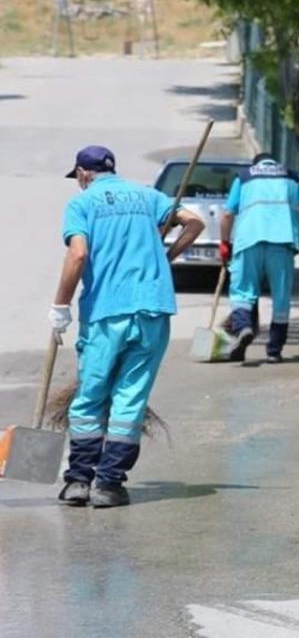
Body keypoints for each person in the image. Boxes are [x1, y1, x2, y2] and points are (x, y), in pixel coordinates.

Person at [50, 145, 205, 508]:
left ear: (84, 173)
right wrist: (166, 257)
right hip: (153, 309)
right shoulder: (148, 196)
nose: (79, 184)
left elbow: (78, 254)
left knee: (90, 397)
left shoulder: (83, 204)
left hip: (107, 311)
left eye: (78, 179)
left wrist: (60, 305)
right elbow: (194, 222)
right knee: (130, 397)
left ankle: (78, 481)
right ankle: (108, 484)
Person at [219, 153, 299, 363]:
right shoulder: (294, 177)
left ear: (256, 164)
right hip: (282, 241)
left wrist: (225, 243)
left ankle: (243, 327)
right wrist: (297, 222)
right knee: (281, 297)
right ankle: (274, 350)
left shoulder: (244, 177)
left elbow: (227, 215)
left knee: (243, 291)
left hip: (249, 240)